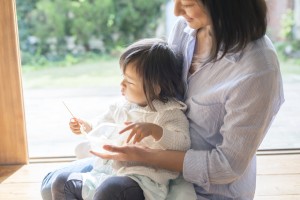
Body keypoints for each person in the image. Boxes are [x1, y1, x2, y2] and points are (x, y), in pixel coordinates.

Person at [41, 0, 284, 199]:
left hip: (204, 187)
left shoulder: (257, 70)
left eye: (187, 3)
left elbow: (226, 166)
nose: (177, 10)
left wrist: (141, 154)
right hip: (141, 161)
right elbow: (157, 88)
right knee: (52, 184)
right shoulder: (185, 29)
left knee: (107, 193)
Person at [48, 38, 192, 200]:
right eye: (123, 77)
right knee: (61, 182)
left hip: (141, 181)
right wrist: (85, 125)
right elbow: (100, 124)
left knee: (110, 190)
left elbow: (183, 144)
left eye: (129, 82)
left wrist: (155, 131)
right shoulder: (122, 106)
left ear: (155, 88)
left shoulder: (168, 112)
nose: (121, 84)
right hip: (106, 173)